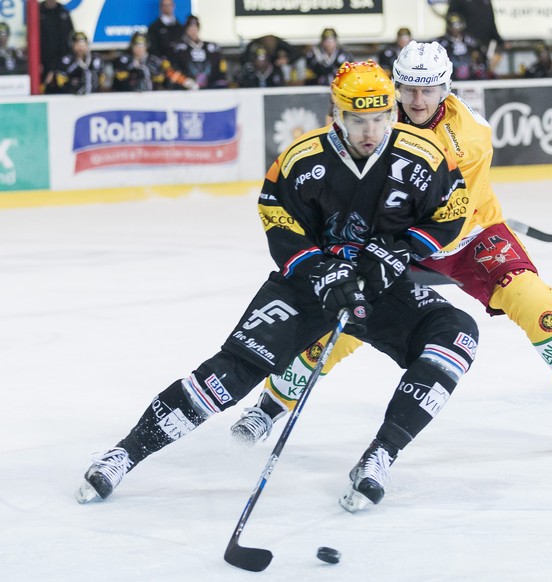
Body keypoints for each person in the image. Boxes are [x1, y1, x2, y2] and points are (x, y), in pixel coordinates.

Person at [75, 60, 478, 513]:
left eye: (380, 118)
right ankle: (123, 454)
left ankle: (379, 456)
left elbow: (451, 213)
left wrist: (394, 253)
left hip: (377, 285)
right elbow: (277, 217)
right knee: (229, 375)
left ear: (391, 113)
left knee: (456, 333)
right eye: (358, 120)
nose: (370, 131)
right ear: (336, 113)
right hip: (308, 287)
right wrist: (320, 271)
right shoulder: (302, 159)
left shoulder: (424, 155)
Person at [231, 41, 552, 457]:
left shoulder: (470, 137)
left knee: (534, 298)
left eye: (428, 90)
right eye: (408, 89)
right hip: (393, 244)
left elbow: (449, 213)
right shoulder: (374, 121)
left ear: (447, 87)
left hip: (465, 236)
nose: (417, 100)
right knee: (344, 322)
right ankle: (272, 404)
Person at [165, 15, 227, 90]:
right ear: (186, 30)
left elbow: (221, 70)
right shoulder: (177, 48)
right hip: (186, 89)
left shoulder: (211, 48)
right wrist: (184, 81)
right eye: (190, 28)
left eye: (195, 27)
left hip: (210, 88)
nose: (193, 31)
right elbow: (169, 70)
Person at [447, 0, 504, 75]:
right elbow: (452, 19)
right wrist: (460, 38)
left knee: (482, 72)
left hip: (483, 45)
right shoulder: (458, 1)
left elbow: (491, 21)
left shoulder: (486, 1)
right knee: (463, 72)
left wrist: (499, 41)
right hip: (466, 45)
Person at [438, 12, 490, 81]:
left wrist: (477, 63)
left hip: (470, 74)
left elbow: (481, 53)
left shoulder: (469, 40)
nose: (456, 29)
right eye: (454, 26)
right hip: (450, 75)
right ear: (448, 26)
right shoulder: (441, 42)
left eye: (458, 25)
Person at [39, 0, 74, 86]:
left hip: (61, 58)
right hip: (43, 58)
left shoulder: (63, 11)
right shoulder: (38, 10)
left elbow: (70, 36)